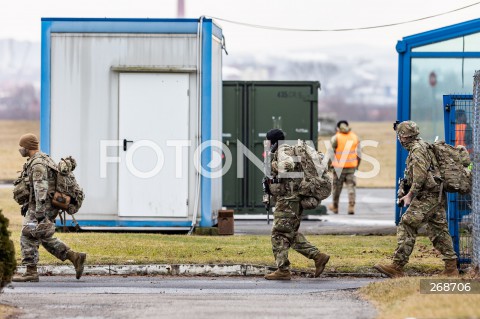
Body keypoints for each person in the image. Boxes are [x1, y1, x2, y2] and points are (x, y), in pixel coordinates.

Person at [374, 121, 458, 278]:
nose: (399, 139)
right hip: (435, 195)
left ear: (404, 137)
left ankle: (397, 267)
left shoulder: (418, 150)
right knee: (438, 230)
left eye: (400, 135)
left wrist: (409, 195)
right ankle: (451, 268)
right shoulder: (421, 146)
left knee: (407, 223)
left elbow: (420, 176)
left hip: (428, 196)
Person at [12, 133, 86, 282]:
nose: (21, 150)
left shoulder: (38, 164)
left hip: (41, 206)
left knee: (27, 234)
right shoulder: (43, 158)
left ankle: (31, 272)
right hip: (45, 205)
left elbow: (41, 189)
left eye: (22, 147)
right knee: (43, 237)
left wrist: (39, 212)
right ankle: (75, 257)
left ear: (28, 147)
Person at [263, 128, 330, 280]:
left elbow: (287, 166)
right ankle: (318, 256)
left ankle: (283, 270)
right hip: (294, 198)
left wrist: (274, 167)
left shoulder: (282, 151)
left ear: (272, 141)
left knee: (279, 234)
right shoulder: (288, 150)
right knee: (289, 234)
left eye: (267, 141)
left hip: (288, 200)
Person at [327, 120, 361, 215]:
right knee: (351, 188)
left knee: (336, 188)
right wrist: (357, 165)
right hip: (351, 167)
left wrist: (329, 165)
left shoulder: (336, 137)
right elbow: (359, 154)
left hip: (338, 168)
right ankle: (351, 207)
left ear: (338, 128)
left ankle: (335, 207)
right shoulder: (355, 137)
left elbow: (331, 153)